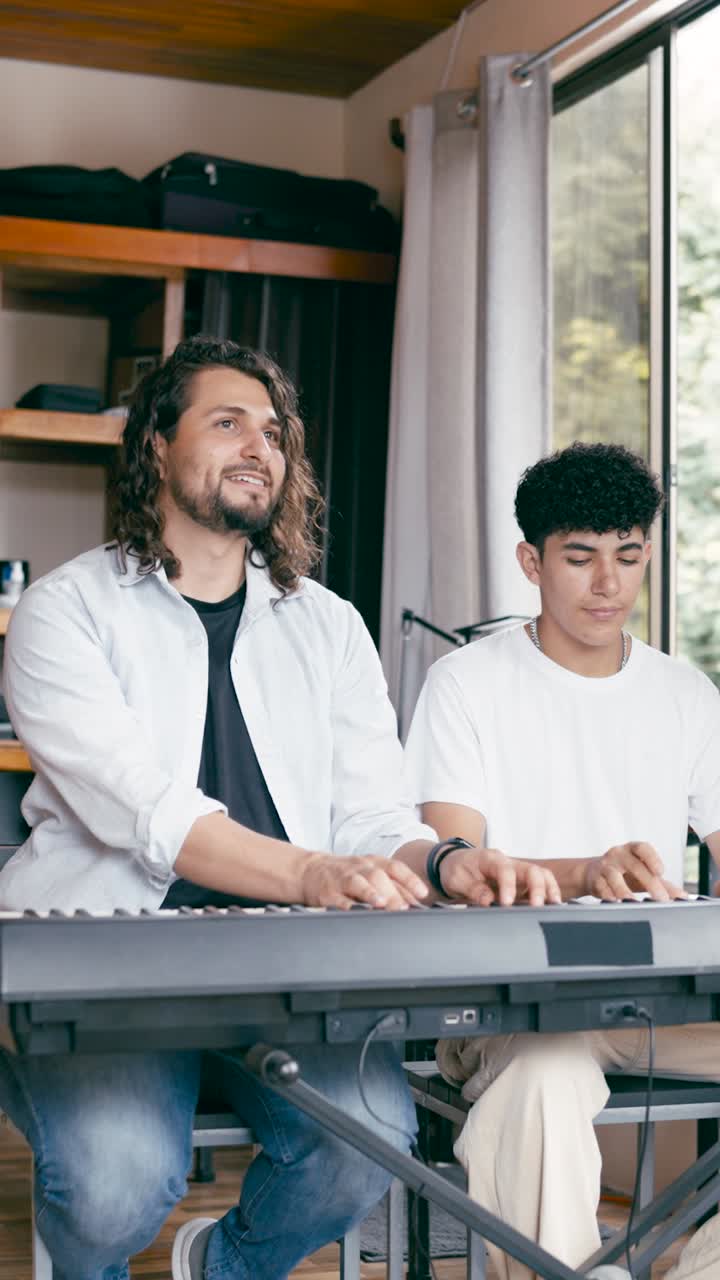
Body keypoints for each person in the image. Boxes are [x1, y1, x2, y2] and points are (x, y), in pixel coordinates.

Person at [0, 336, 558, 1280]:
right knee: (115, 1185)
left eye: (274, 432)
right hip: (103, 965)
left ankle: (221, 1265)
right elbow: (149, 814)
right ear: (156, 447)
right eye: (227, 423)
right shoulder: (66, 611)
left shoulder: (327, 625)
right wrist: (312, 872)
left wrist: (441, 861)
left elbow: (372, 818)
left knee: (371, 1141)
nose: (260, 445)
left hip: (282, 964)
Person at [405, 442, 720, 1280]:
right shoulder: (465, 685)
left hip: (660, 999)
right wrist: (586, 870)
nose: (608, 583)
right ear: (531, 562)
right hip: (508, 1006)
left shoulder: (687, 695)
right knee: (543, 1074)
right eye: (580, 558)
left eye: (628, 556)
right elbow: (453, 862)